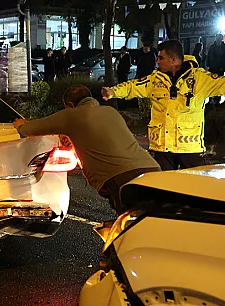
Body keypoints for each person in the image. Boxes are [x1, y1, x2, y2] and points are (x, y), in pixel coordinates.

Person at [102, 40, 225, 171]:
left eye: (161, 58)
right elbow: (133, 87)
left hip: (190, 148)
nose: (158, 62)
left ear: (173, 60)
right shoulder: (155, 79)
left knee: (194, 192)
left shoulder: (199, 78)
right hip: (162, 148)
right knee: (162, 192)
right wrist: (113, 92)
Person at [13, 85, 160, 213]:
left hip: (119, 176)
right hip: (151, 168)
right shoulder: (110, 111)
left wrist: (21, 125)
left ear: (70, 104)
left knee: (130, 225)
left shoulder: (71, 115)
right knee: (157, 219)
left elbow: (32, 129)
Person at [206, 34, 225, 105]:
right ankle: (210, 99)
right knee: (211, 84)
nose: (218, 39)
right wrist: (208, 65)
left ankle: (217, 99)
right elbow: (209, 56)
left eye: (220, 38)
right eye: (217, 38)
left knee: (218, 84)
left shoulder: (224, 48)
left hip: (220, 69)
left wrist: (224, 67)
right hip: (213, 68)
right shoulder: (212, 47)